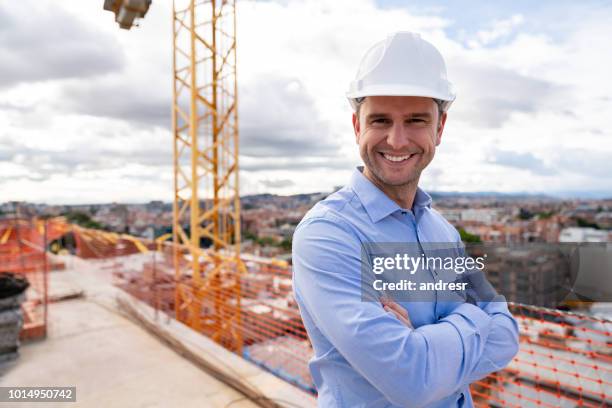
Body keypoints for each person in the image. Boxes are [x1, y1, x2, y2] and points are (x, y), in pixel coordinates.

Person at [292, 32, 519, 407]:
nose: (397, 141)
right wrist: (474, 319)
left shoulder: (442, 230)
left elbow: (507, 335)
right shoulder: (328, 235)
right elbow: (414, 380)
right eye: (380, 120)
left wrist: (424, 342)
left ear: (439, 129)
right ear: (356, 127)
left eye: (415, 121)